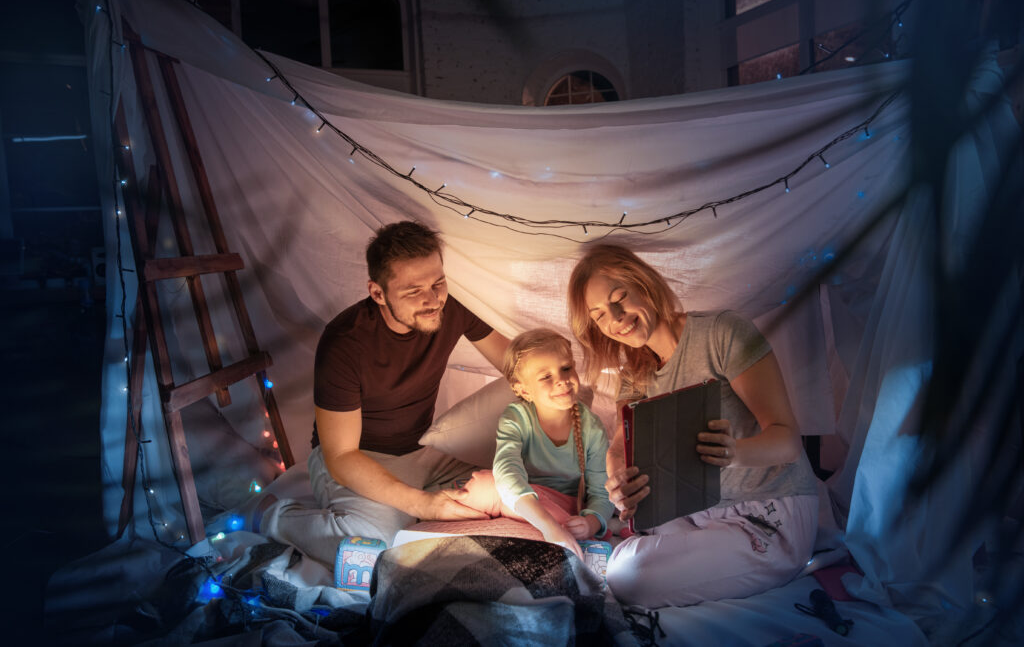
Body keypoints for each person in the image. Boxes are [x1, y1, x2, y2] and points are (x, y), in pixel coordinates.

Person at [567, 243, 819, 608]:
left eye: (620, 297)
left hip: (768, 513)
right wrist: (618, 484)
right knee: (625, 553)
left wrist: (734, 453)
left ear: (645, 283)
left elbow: (788, 440)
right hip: (694, 511)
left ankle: (775, 559)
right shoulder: (633, 374)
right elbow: (621, 448)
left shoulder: (722, 333)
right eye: (600, 315)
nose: (617, 316)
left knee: (627, 576)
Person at [256, 221, 509, 566]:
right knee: (378, 548)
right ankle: (275, 516)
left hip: (423, 452)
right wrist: (421, 504)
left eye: (438, 283)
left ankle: (412, 510)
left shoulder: (452, 308)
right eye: (413, 291)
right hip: (358, 460)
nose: (433, 300)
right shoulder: (345, 342)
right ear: (378, 293)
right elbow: (342, 456)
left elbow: (517, 363)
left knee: (507, 493)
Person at [450, 329, 615, 559]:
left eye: (566, 368)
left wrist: (591, 522)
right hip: (524, 499)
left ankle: (557, 528)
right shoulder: (516, 418)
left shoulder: (592, 427)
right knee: (483, 485)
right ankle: (536, 521)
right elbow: (507, 469)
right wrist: (545, 524)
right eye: (546, 377)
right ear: (523, 390)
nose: (561, 380)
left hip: (560, 507)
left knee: (491, 491)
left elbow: (601, 490)